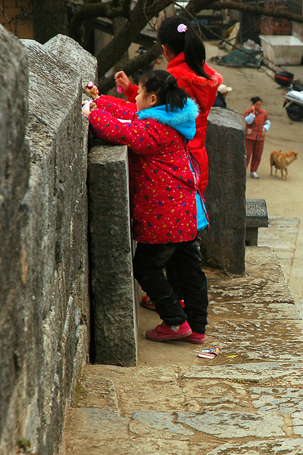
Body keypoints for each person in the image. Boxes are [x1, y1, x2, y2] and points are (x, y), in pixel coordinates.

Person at [84, 71, 209, 344]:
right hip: (186, 213)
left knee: (146, 268)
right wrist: (101, 101)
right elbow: (130, 112)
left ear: (152, 99)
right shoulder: (171, 119)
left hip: (165, 217)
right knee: (191, 271)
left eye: (139, 93)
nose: (135, 98)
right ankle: (198, 328)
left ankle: (175, 322)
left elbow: (121, 130)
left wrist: (91, 114)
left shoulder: (155, 130)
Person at [115, 15, 222, 193]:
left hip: (176, 161)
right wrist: (131, 90)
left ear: (164, 49)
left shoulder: (176, 79)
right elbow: (160, 105)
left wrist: (131, 93)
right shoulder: (201, 72)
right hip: (197, 159)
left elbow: (155, 110)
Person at [244, 96, 270, 179]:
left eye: (260, 105)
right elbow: (248, 121)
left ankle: (253, 171)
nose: (258, 107)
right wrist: (253, 113)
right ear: (253, 105)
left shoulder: (264, 113)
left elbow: (268, 122)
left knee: (257, 155)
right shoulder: (248, 112)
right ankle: (243, 170)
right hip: (249, 137)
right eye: (257, 105)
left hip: (260, 137)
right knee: (247, 154)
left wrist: (265, 128)